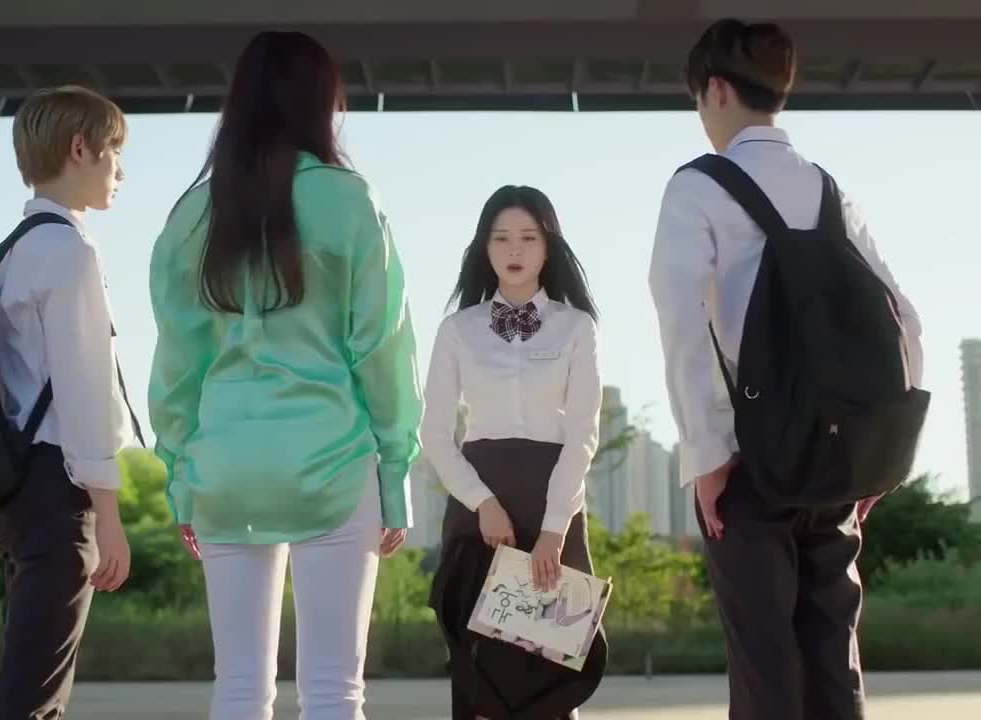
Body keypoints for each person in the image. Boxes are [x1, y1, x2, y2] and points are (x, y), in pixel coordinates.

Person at [648, 19, 925, 720]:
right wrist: (881, 458)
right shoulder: (830, 192)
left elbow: (683, 321)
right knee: (834, 657)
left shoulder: (698, 186)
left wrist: (708, 455)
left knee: (765, 664)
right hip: (838, 461)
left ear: (715, 89)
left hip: (749, 461)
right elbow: (904, 321)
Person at [146, 30, 421, 720]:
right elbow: (382, 348)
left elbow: (177, 367)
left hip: (223, 467)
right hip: (332, 460)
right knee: (333, 691)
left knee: (239, 688)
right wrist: (394, 470)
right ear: (319, 105)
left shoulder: (191, 215)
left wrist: (180, 479)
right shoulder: (350, 201)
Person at [0, 84, 143, 720]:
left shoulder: (13, 251)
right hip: (58, 490)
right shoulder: (70, 252)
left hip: (16, 490)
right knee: (35, 698)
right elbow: (84, 391)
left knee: (26, 680)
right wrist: (108, 516)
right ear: (80, 149)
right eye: (113, 153)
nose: (120, 172)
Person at [422, 185, 608, 720]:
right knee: (481, 674)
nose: (514, 250)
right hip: (480, 512)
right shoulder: (457, 330)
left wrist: (553, 529)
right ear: (484, 247)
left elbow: (583, 434)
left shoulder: (577, 328)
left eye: (528, 237)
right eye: (501, 238)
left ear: (549, 247)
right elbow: (434, 434)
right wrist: (482, 503)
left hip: (554, 502)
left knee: (550, 671)